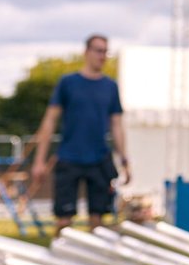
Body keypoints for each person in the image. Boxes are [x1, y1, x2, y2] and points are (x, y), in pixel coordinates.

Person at [31, 34, 130, 233]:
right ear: (86, 52)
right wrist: (39, 161)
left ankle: (95, 262)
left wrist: (125, 161)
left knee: (97, 220)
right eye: (98, 50)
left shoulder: (110, 87)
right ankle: (59, 259)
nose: (102, 56)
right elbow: (49, 121)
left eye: (105, 51)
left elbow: (117, 125)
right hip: (69, 157)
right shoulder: (68, 83)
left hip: (99, 158)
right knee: (64, 221)